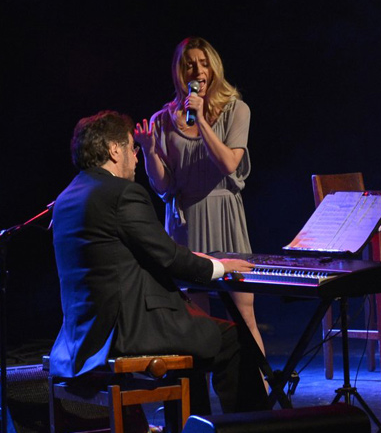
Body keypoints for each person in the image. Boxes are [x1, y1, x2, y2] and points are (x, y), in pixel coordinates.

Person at [49, 110, 268, 416]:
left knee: (199, 342)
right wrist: (219, 267)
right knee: (234, 339)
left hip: (86, 337)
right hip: (130, 331)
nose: (136, 157)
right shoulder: (122, 193)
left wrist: (193, 258)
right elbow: (167, 256)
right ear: (114, 150)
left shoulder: (67, 198)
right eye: (131, 147)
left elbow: (129, 254)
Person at [134, 36, 266, 360]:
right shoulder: (161, 120)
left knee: (244, 314)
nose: (198, 69)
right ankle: (203, 402)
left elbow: (228, 163)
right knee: (196, 321)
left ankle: (261, 397)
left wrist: (202, 120)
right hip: (186, 224)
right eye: (190, 64)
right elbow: (164, 186)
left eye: (204, 63)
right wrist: (150, 152)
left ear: (214, 68)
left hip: (225, 215)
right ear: (180, 71)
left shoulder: (237, 110)